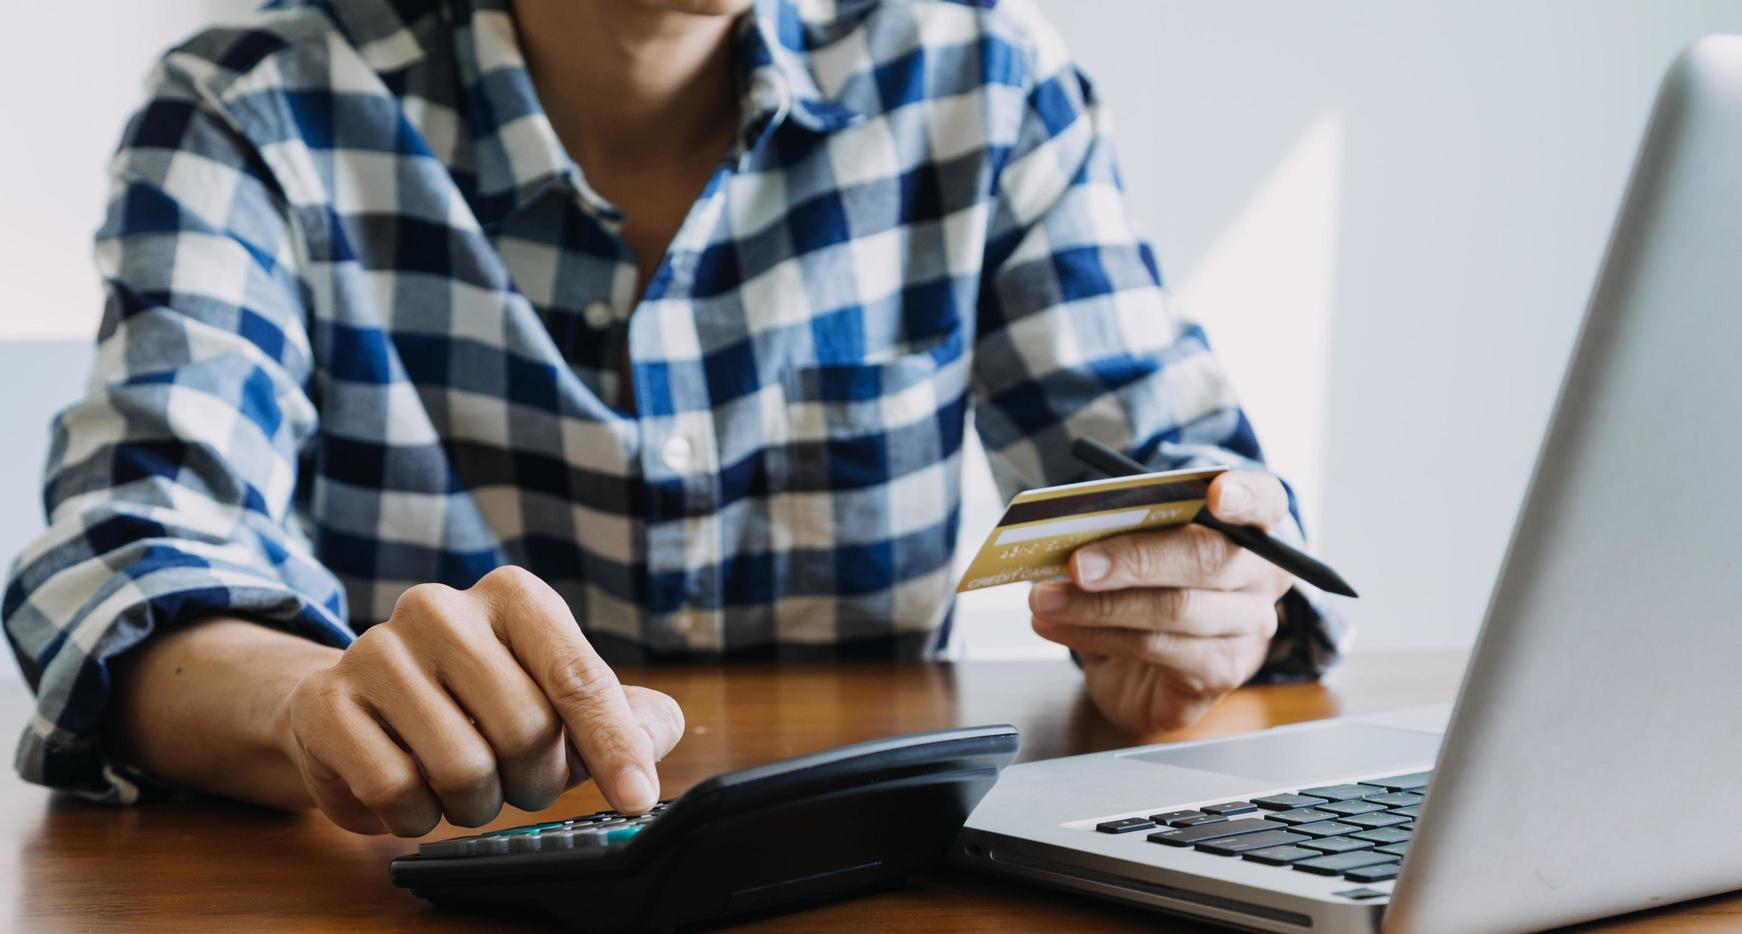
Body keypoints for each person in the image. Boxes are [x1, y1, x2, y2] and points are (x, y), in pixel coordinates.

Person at [3, 0, 1343, 837]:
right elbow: (137, 557)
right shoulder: (254, 103)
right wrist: (313, 706)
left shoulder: (979, 80)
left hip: (867, 891)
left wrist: (1205, 603)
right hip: (419, 903)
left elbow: (1189, 488)